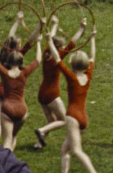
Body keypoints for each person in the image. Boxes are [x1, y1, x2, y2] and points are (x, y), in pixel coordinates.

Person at [50, 27, 99, 173]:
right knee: (65, 149)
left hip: (72, 116)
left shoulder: (71, 77)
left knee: (76, 150)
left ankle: (92, 172)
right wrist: (92, 38)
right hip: (83, 118)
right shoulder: (88, 76)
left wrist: (49, 40)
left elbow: (57, 58)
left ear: (73, 64)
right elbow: (93, 56)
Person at [32, 15, 86, 149]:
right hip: (52, 94)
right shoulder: (58, 57)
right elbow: (72, 43)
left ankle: (38, 143)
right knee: (63, 120)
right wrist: (81, 28)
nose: (63, 48)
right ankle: (41, 130)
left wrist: (55, 24)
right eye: (61, 47)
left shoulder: (46, 52)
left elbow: (50, 39)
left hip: (41, 93)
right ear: (58, 48)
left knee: (51, 120)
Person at [0, 11, 41, 148]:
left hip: (3, 88)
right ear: (17, 48)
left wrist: (18, 21)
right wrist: (40, 27)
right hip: (15, 96)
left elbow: (10, 35)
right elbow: (31, 40)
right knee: (12, 135)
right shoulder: (19, 55)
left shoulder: (5, 52)